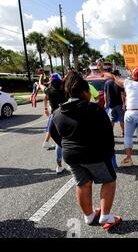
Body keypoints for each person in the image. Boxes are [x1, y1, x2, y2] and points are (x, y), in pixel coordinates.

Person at [49, 71, 121, 230]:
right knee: (109, 181)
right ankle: (105, 216)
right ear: (84, 92)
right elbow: (107, 134)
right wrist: (109, 153)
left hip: (71, 156)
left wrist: (67, 145)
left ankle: (89, 216)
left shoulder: (58, 112)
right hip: (94, 154)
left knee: (82, 183)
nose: (90, 94)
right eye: (88, 91)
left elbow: (53, 133)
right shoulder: (94, 109)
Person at [38, 73, 67, 174]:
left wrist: (40, 78)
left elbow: (41, 85)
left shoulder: (48, 90)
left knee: (59, 143)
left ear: (50, 81)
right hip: (67, 116)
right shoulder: (64, 89)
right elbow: (64, 80)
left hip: (55, 118)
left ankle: (59, 166)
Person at [104, 70, 125, 137]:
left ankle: (110, 133)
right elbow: (122, 94)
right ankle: (123, 133)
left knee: (111, 120)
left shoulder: (107, 83)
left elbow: (105, 94)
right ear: (117, 75)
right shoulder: (119, 82)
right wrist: (124, 104)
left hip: (110, 104)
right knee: (121, 119)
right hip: (119, 103)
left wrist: (105, 102)